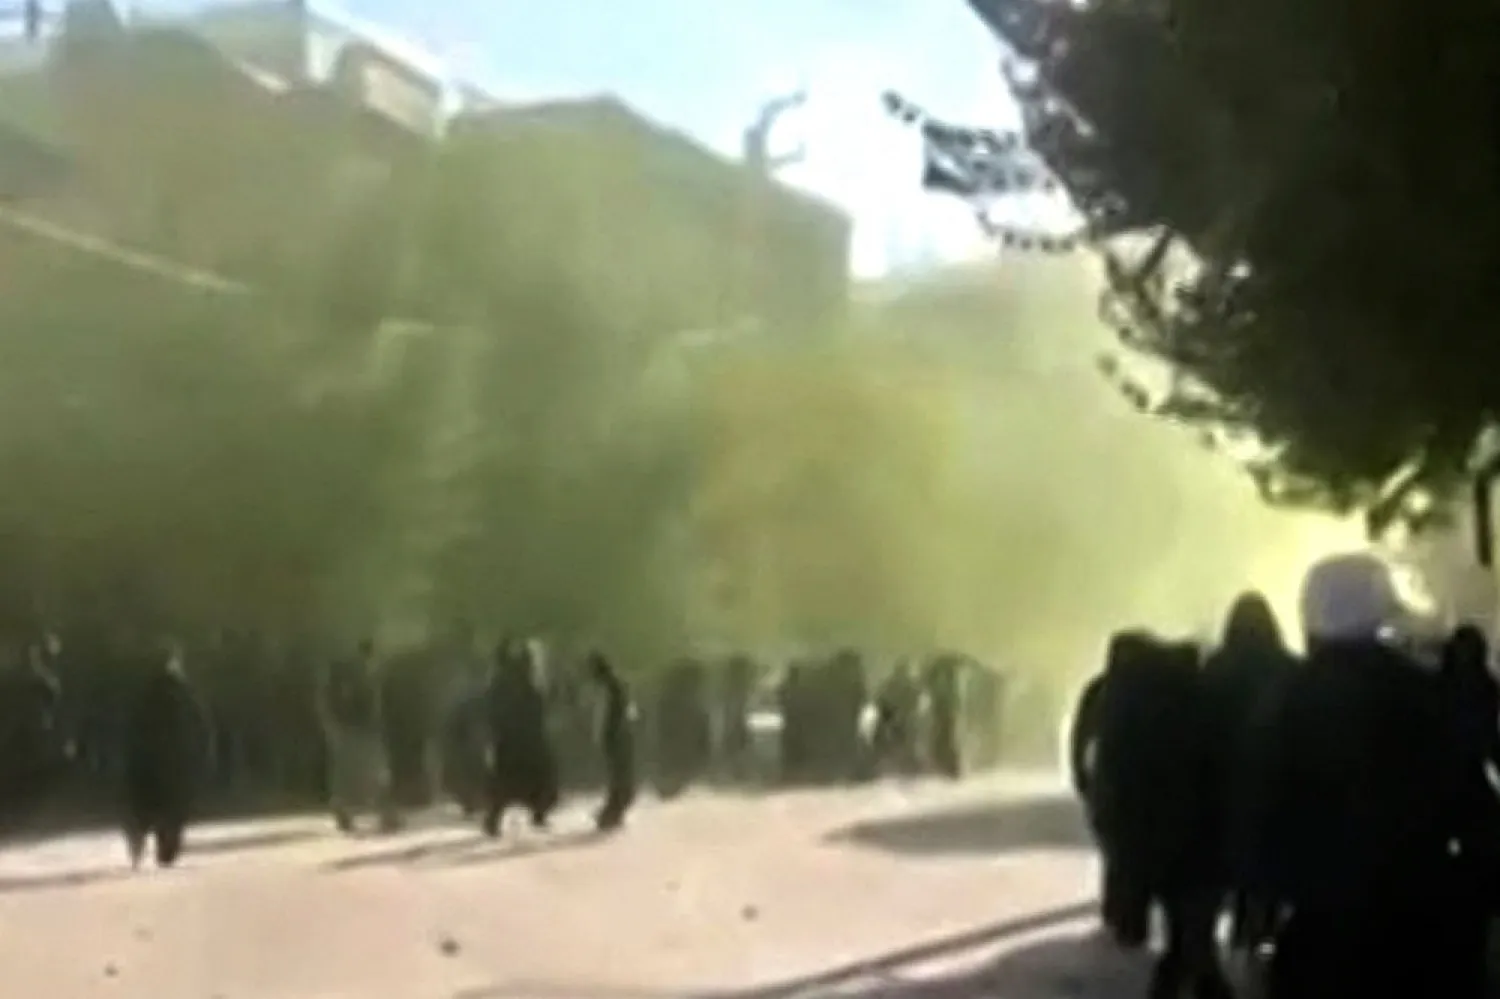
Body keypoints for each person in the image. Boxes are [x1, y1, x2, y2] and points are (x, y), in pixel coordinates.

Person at [1241, 552, 1478, 999]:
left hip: (1322, 934)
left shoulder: (1282, 706)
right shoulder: (1421, 695)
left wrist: (1261, 914)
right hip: (1420, 930)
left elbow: (1259, 821)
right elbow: (1470, 804)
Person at [1201, 591, 1299, 953]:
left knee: (1238, 863)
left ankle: (1244, 935)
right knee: (1270, 865)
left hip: (1225, 786)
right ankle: (1265, 930)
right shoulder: (1289, 668)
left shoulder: (1215, 669)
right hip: (1276, 783)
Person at [121, 643, 211, 869]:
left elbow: (133, 723)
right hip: (176, 757)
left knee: (147, 802)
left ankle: (142, 839)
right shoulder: (183, 690)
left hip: (151, 755)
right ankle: (167, 848)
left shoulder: (144, 689)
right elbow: (199, 723)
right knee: (174, 806)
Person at [318, 639, 399, 834]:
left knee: (350, 773)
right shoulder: (361, 676)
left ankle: (347, 812)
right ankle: (384, 814)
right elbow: (368, 707)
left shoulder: (349, 674)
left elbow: (327, 703)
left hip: (353, 730)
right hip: (359, 730)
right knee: (375, 772)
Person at [480, 638, 559, 837]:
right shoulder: (522, 684)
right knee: (522, 780)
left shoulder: (504, 683)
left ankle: (499, 819)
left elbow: (492, 711)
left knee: (508, 783)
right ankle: (532, 815)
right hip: (521, 739)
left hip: (514, 739)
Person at [587, 650, 636, 832]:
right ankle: (614, 810)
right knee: (619, 773)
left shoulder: (610, 686)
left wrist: (603, 734)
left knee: (619, 773)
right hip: (619, 735)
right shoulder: (615, 684)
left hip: (616, 735)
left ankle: (613, 811)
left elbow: (612, 712)